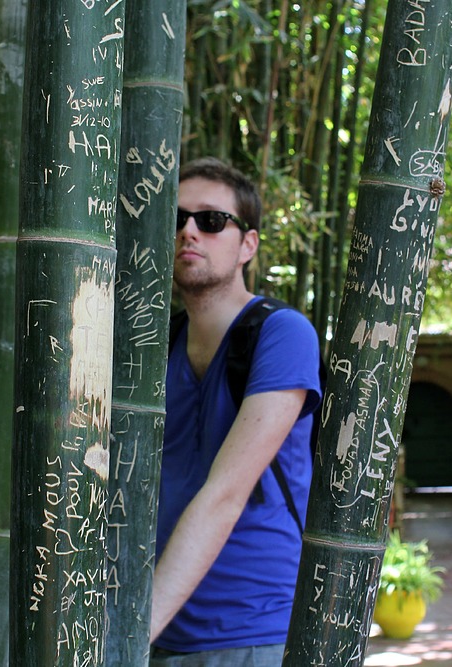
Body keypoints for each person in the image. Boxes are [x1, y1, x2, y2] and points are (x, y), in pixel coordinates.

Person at [151, 158, 322, 665]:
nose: (188, 231)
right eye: (177, 218)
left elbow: (225, 493)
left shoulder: (282, 333)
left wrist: (131, 635)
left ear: (248, 244)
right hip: (159, 626)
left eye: (209, 220)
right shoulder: (153, 344)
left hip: (253, 631)